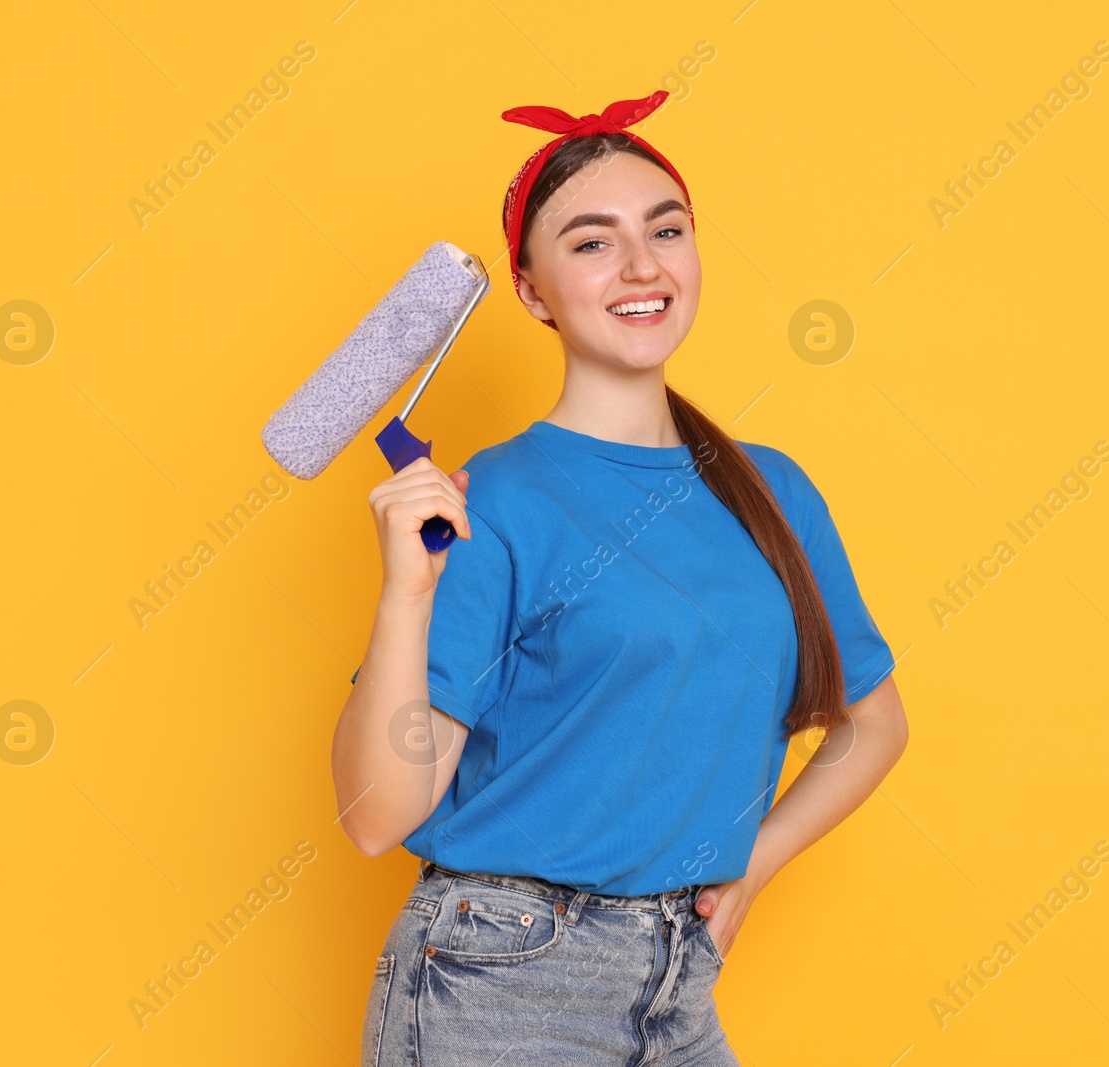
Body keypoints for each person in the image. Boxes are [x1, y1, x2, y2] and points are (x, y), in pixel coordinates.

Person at [332, 90, 910, 1067]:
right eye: (592, 242)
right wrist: (406, 592)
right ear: (531, 290)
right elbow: (376, 816)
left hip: (674, 974)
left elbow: (875, 719)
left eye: (665, 229)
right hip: (497, 978)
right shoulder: (493, 503)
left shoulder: (771, 491)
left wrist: (754, 865)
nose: (641, 265)